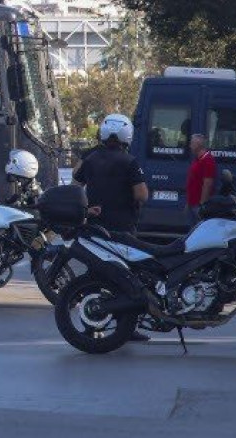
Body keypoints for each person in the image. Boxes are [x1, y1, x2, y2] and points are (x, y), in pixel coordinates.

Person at [74, 113, 150, 342]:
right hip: (123, 229)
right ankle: (126, 326)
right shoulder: (129, 161)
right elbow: (141, 194)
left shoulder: (90, 159)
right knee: (126, 277)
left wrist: (90, 208)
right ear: (128, 135)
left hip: (96, 228)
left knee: (95, 275)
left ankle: (91, 323)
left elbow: (75, 188)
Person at [184, 133, 217, 225]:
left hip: (198, 206)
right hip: (192, 203)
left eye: (191, 143)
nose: (190, 146)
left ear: (197, 145)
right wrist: (188, 202)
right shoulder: (197, 159)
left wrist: (202, 205)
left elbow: (208, 183)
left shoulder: (208, 160)